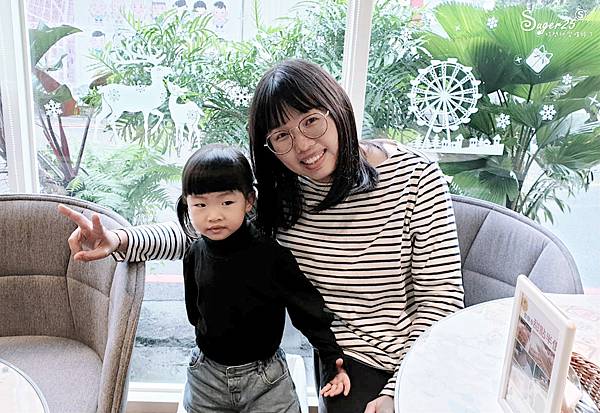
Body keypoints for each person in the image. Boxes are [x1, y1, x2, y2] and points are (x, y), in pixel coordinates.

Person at [58, 58, 465, 413]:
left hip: (418, 350)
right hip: (347, 357)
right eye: (282, 136)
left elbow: (441, 298)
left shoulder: (416, 176)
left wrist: (398, 388)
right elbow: (203, 233)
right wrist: (119, 240)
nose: (303, 146)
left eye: (311, 120)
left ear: (338, 108)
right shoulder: (281, 194)